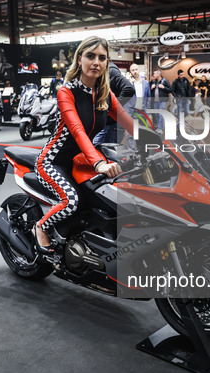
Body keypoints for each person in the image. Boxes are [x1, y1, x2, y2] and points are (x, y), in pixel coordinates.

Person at [33, 36, 134, 252]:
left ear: (107, 63)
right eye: (90, 56)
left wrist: (167, 145)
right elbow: (78, 132)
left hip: (82, 160)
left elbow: (130, 122)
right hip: (53, 161)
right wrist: (99, 164)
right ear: (80, 59)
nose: (96, 62)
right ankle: (40, 226)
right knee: (71, 202)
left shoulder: (104, 94)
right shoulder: (66, 92)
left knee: (108, 197)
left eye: (102, 58)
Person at [92, 61, 135, 144]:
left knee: (99, 150)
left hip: (111, 124)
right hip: (107, 123)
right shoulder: (104, 71)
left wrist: (113, 107)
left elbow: (129, 88)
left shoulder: (111, 70)